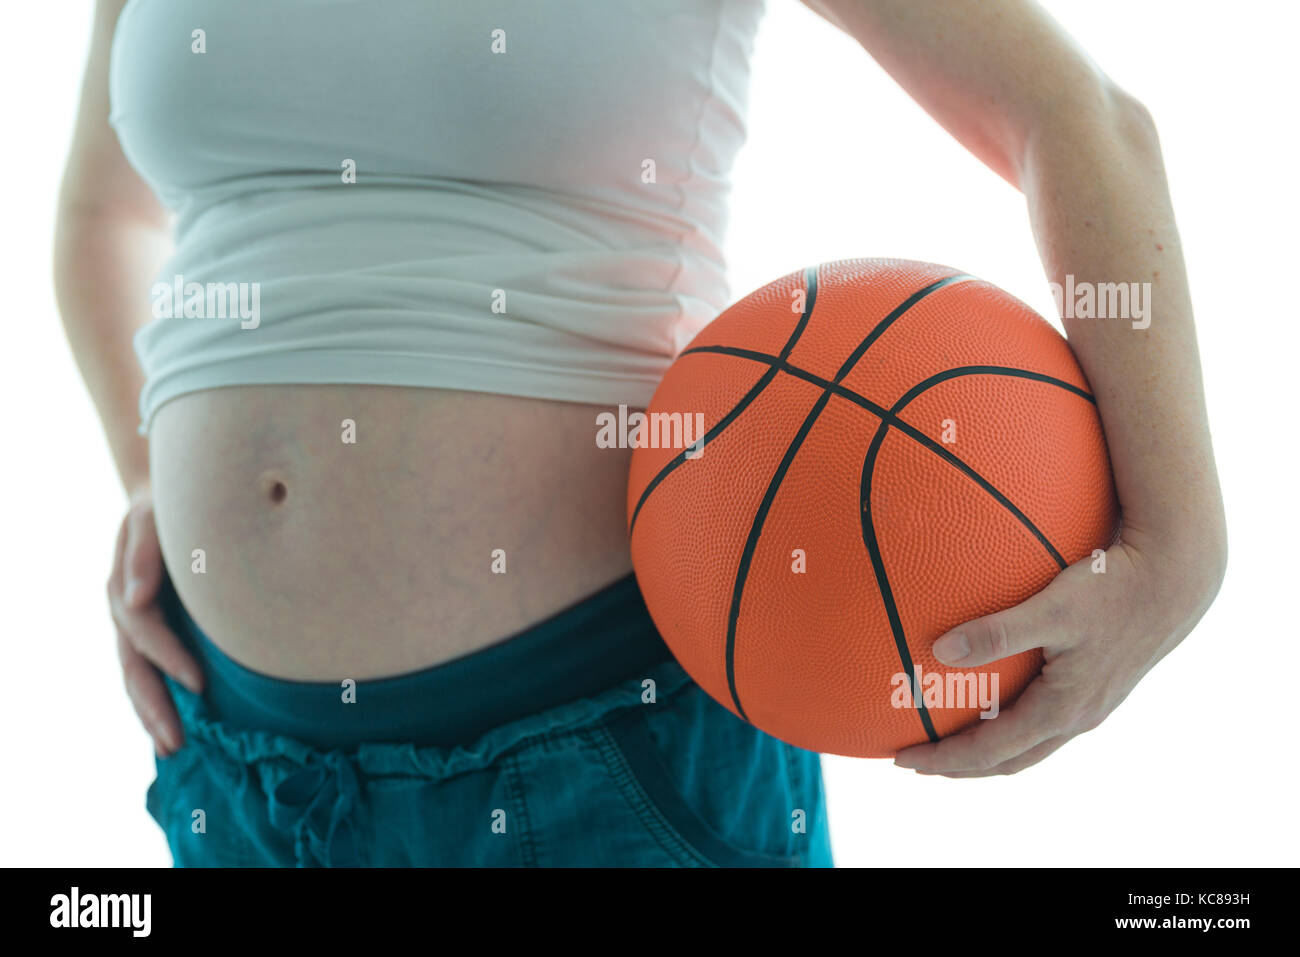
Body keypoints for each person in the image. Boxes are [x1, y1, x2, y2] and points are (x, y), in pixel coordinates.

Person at [55, 0, 1225, 867]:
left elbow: (1073, 117)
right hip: (245, 764)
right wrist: (151, 474)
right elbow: (104, 214)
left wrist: (1177, 549)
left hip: (611, 750)